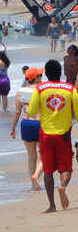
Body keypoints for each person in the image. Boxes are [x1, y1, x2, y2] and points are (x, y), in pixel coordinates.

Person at [27, 59, 78, 213]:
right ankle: (62, 186)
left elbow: (31, 111)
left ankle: (52, 205)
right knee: (66, 167)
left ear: (47, 74)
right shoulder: (69, 89)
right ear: (61, 72)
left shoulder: (40, 88)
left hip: (46, 135)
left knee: (48, 170)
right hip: (64, 134)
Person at [10, 66, 44, 191]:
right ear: (36, 78)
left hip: (26, 123)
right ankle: (37, 176)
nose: (41, 77)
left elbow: (17, 112)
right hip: (40, 123)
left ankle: (33, 183)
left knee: (31, 156)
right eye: (40, 75)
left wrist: (13, 128)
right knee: (44, 154)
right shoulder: (42, 89)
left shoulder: (20, 92)